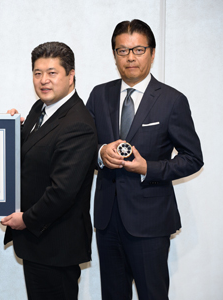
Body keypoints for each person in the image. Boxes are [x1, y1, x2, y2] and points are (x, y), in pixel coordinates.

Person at [86, 19, 204, 300]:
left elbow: (192, 158)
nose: (130, 58)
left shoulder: (172, 100)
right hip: (107, 219)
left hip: (150, 222)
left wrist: (147, 167)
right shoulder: (99, 95)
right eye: (122, 50)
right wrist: (101, 153)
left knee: (153, 294)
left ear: (152, 52)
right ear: (114, 54)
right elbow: (82, 148)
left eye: (138, 50)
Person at [1, 42, 98, 300]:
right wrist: (9, 130)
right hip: (39, 245)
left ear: (71, 75)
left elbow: (62, 191)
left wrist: (26, 219)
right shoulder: (40, 109)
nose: (43, 80)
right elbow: (32, 156)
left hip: (56, 246)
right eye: (37, 72)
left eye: (52, 72)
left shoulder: (78, 123)